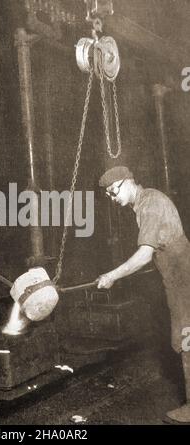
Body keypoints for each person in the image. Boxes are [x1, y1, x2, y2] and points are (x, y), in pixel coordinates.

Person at [97, 166, 190, 424]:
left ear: (127, 182)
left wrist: (112, 276)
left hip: (183, 277)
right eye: (108, 195)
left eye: (114, 191)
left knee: (186, 338)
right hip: (175, 274)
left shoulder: (149, 203)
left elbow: (144, 254)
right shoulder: (145, 201)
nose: (112, 198)